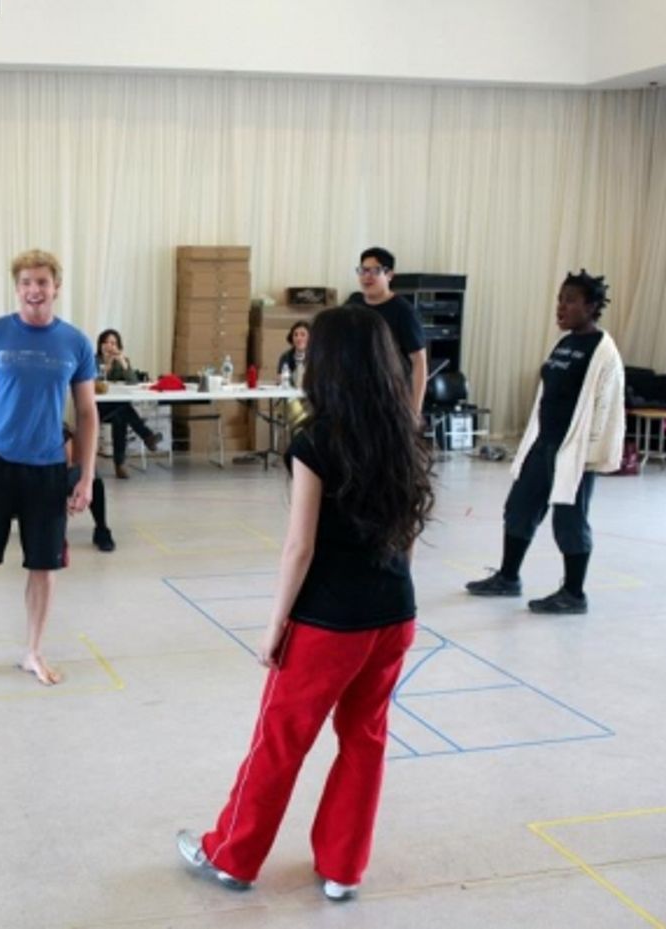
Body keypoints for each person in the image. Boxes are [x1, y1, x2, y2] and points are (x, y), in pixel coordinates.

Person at [176, 304, 434, 902]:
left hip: (328, 622)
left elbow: (299, 546)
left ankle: (233, 855)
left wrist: (274, 628)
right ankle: (343, 869)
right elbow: (408, 534)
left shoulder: (315, 440)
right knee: (365, 741)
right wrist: (396, 598)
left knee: (281, 740)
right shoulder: (405, 432)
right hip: (395, 612)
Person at [0, 249, 98, 686]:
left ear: (56, 287)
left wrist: (84, 475)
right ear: (17, 287)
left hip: (47, 471)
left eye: (43, 282)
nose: (34, 290)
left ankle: (33, 651)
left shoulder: (76, 343)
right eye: (27, 282)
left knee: (43, 566)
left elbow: (86, 414)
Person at [465, 270, 625, 614]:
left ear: (592, 306)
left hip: (573, 451)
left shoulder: (603, 351)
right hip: (544, 444)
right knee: (519, 508)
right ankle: (508, 578)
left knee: (569, 520)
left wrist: (591, 457)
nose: (561, 306)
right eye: (560, 298)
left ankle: (574, 594)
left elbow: (606, 410)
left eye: (570, 300)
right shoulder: (564, 342)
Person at [346, 247, 428, 414]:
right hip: (356, 397)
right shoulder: (353, 305)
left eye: (374, 271)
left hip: (391, 398)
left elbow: (419, 361)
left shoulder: (403, 311)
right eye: (363, 270)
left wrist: (415, 411)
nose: (367, 276)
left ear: (389, 275)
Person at [95, 328, 161, 478]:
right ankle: (146, 436)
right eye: (105, 342)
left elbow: (133, 382)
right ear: (100, 345)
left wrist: (124, 363)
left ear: (118, 346)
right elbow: (95, 384)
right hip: (98, 408)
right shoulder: (94, 360)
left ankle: (120, 465)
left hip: (116, 407)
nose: (109, 346)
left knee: (121, 416)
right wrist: (108, 365)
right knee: (123, 408)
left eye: (113, 343)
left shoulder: (122, 361)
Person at [64, 423, 115, 552]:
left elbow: (69, 463)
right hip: (29, 477)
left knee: (93, 477)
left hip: (55, 474)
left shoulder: (61, 429)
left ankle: (101, 529)